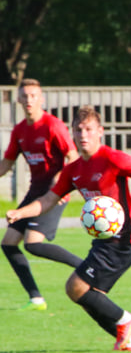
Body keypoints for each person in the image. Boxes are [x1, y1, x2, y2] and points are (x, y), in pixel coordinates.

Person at [6, 106, 131, 352]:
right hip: (103, 241)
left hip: (123, 240)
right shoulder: (73, 170)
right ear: (73, 134)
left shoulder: (111, 158)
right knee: (89, 297)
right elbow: (48, 200)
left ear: (100, 132)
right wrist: (19, 213)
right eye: (78, 129)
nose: (83, 134)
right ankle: (129, 342)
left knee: (75, 288)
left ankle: (126, 320)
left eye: (88, 129)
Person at [1, 79, 83, 311]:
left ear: (41, 98)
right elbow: (5, 165)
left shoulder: (52, 125)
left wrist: (60, 184)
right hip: (34, 193)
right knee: (8, 244)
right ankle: (36, 298)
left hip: (53, 194)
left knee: (33, 244)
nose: (29, 100)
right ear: (18, 99)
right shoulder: (20, 130)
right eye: (25, 96)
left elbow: (73, 157)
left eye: (33, 96)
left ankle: (85, 266)